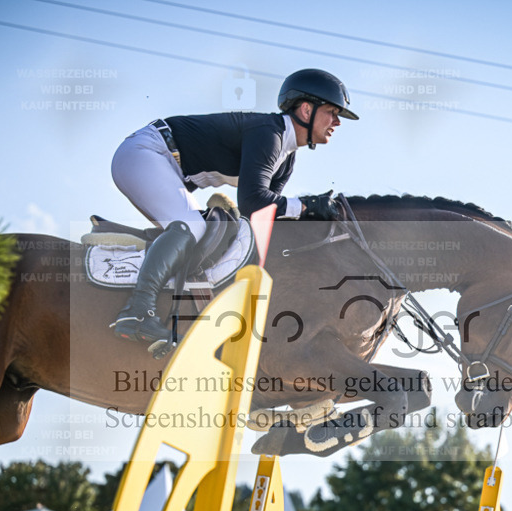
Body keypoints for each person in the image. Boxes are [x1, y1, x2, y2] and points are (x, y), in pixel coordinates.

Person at [109, 68, 358, 357]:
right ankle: (138, 311)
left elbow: (262, 221)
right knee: (193, 227)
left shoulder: (287, 159)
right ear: (306, 109)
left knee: (204, 235)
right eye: (332, 112)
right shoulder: (270, 133)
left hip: (166, 166)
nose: (337, 122)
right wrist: (305, 206)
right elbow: (254, 202)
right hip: (147, 153)